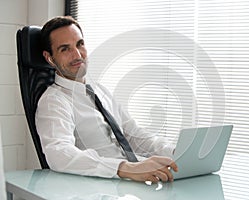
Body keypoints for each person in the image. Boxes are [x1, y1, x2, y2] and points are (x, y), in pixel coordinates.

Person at [36, 16, 178, 183]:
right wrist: (126, 169)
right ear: (49, 58)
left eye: (80, 44)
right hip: (103, 186)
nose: (77, 55)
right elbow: (59, 154)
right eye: (65, 49)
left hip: (134, 180)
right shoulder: (54, 101)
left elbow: (134, 134)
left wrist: (175, 153)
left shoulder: (100, 91)